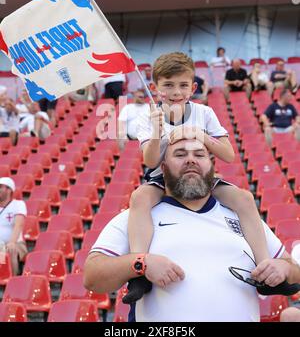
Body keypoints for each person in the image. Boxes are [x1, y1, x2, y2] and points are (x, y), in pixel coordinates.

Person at [83, 137, 299, 322]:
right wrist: (141, 262)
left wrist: (284, 269)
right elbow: (92, 276)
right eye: (179, 154)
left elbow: (295, 274)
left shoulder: (244, 216)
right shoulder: (136, 217)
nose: (190, 160)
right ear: (163, 167)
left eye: (199, 154)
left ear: (211, 164)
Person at [121, 52, 272, 304]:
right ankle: (139, 270)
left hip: (200, 177)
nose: (176, 91)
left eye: (182, 85)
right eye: (168, 85)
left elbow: (229, 155)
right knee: (139, 198)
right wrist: (160, 133)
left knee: (244, 198)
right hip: (163, 178)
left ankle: (264, 266)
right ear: (156, 88)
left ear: (193, 87)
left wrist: (201, 136)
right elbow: (150, 161)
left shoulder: (204, 113)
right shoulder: (149, 117)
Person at [0, 177, 27, 275]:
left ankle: (12, 280)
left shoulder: (18, 204)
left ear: (9, 189)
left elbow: (18, 224)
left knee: (10, 250)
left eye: (0, 187)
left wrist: (12, 242)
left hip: (16, 243)